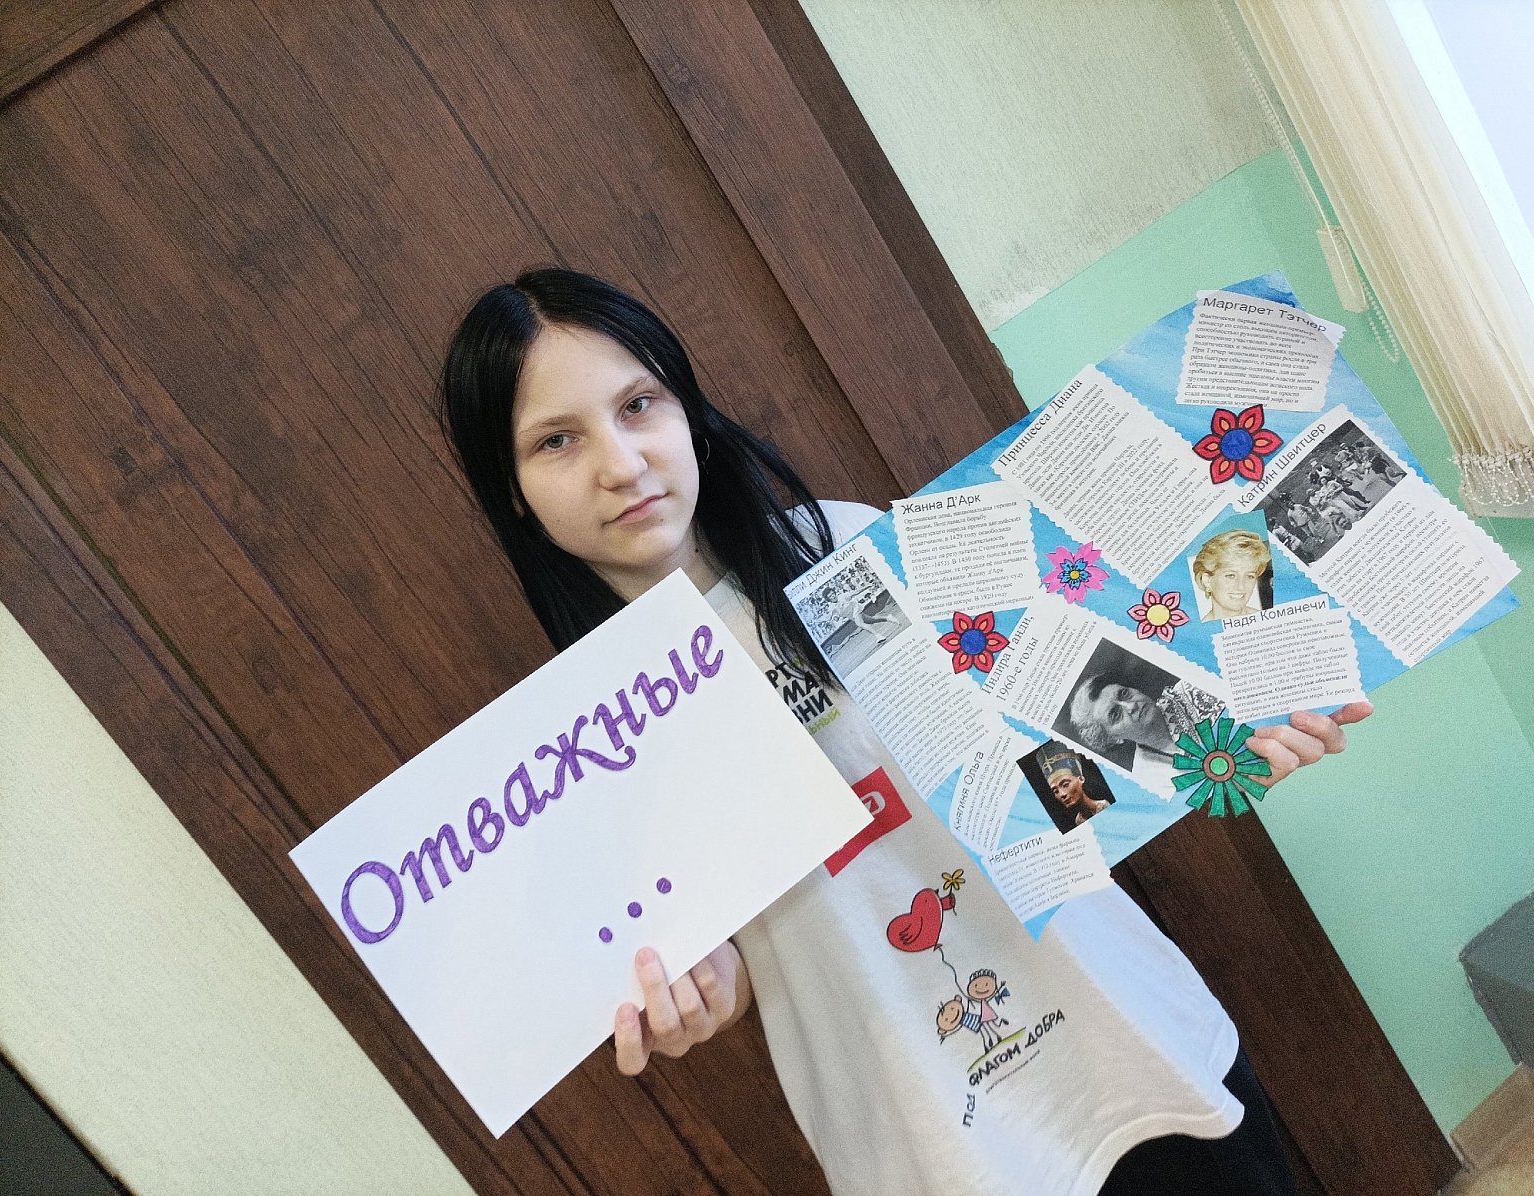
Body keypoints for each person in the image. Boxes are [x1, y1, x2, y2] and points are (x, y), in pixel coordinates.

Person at [440, 267, 1371, 1195]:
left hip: (1129, 1048)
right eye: (556, 440)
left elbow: (1058, 761)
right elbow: (754, 954)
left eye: (638, 405)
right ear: (512, 488)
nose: (620, 463)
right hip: (932, 1145)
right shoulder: (576, 753)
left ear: (685, 407)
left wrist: (1211, 745)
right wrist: (710, 990)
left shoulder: (846, 550)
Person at [1065, 673, 1225, 793]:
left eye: (1124, 694)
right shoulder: (1148, 779)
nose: (1131, 706)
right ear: (1113, 739)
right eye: (1115, 714)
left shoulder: (1194, 689)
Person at [1192, 530, 1272, 622]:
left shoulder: (1268, 620)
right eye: (1231, 576)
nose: (1241, 587)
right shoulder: (1197, 630)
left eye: (1249, 576)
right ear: (1207, 581)